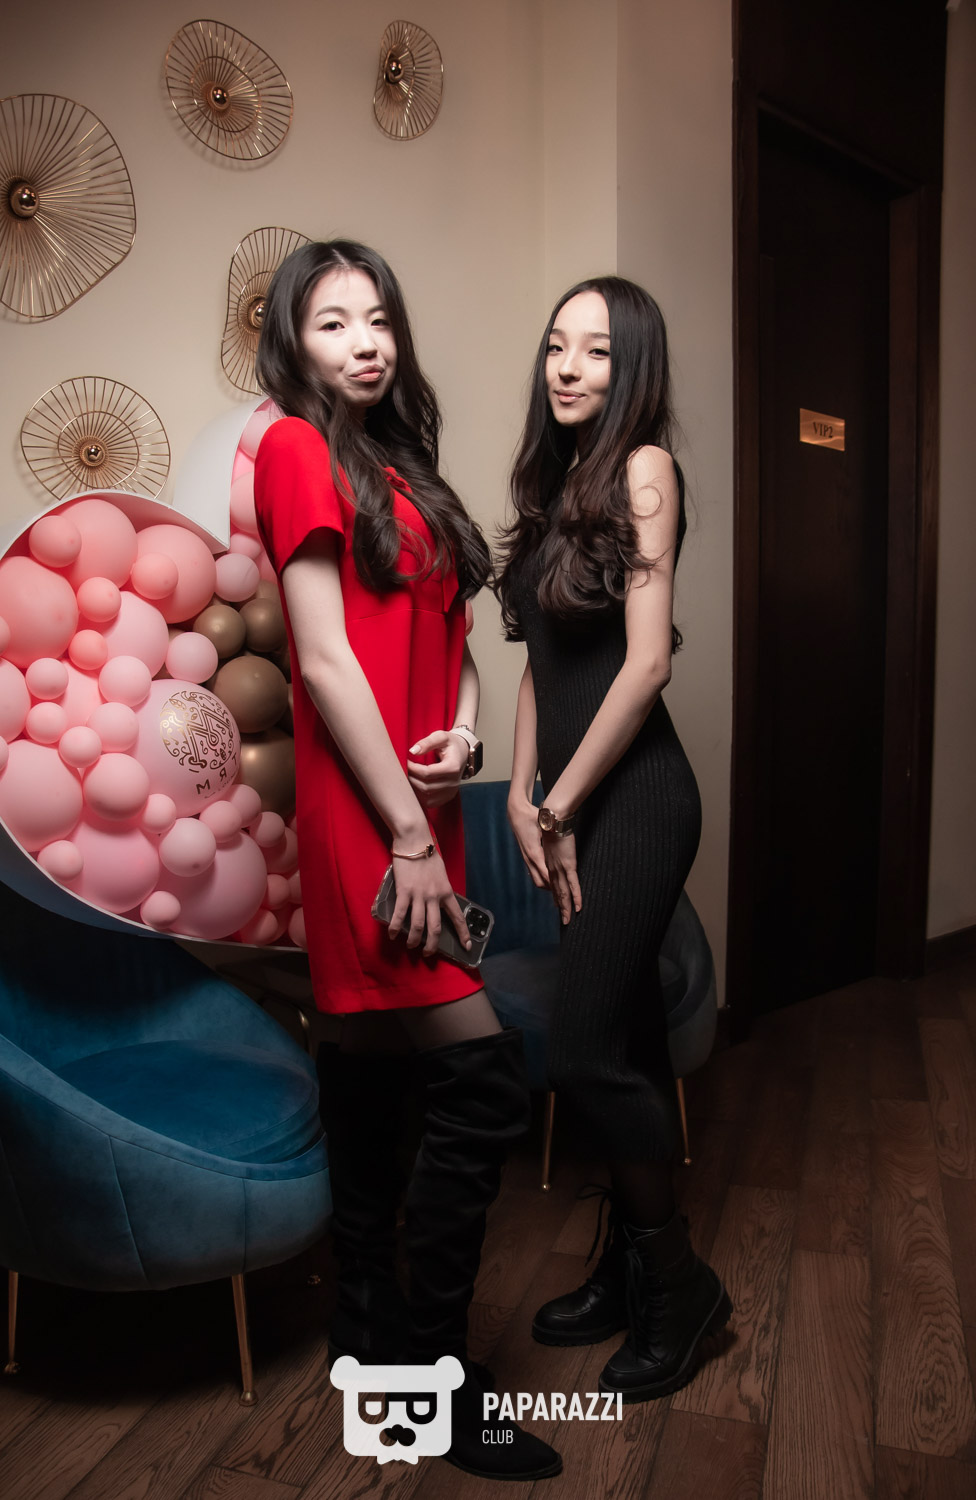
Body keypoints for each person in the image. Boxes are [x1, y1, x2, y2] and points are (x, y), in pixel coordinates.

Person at [252, 240, 560, 1481]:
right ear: (292, 341)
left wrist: (469, 732)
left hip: (422, 799)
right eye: (332, 322)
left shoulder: (401, 466)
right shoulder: (294, 446)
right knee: (482, 1080)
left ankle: (366, 1334)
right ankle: (432, 1378)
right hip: (367, 815)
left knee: (372, 1073)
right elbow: (324, 661)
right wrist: (406, 835)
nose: (364, 341)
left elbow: (455, 639)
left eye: (377, 317)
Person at [496, 276, 732, 1401]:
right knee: (627, 1036)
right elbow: (544, 658)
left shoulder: (645, 469)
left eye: (595, 349)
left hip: (636, 800)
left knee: (585, 1050)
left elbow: (644, 665)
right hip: (573, 795)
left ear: (632, 363)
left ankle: (681, 1295)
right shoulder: (558, 480)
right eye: (557, 345)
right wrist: (519, 786)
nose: (568, 366)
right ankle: (628, 1273)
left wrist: (560, 807)